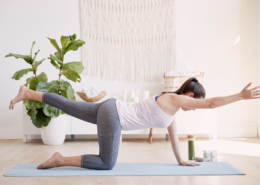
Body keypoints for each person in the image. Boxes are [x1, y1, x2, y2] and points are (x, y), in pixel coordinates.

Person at [9, 77, 260, 170]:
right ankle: (59, 159)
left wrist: (181, 160)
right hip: (113, 115)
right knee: (107, 163)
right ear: (191, 96)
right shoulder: (175, 98)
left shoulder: (171, 110)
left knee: (71, 107)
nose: (195, 107)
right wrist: (240, 96)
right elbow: (212, 104)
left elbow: (174, 137)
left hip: (111, 108)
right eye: (196, 103)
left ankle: (28, 93)